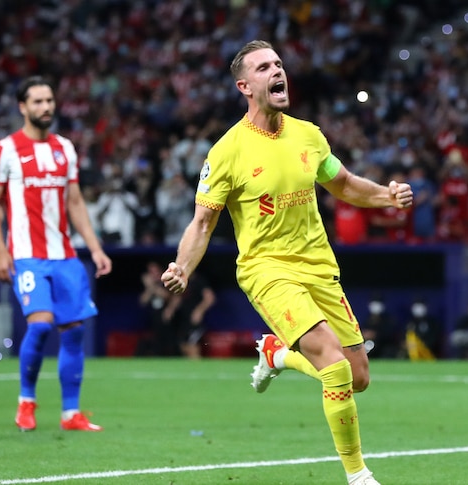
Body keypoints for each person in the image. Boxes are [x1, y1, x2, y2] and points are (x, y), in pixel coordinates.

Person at [160, 40, 412, 485]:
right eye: (263, 67)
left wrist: (387, 196)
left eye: (278, 64)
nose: (277, 71)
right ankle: (358, 476)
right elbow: (201, 224)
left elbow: (346, 185)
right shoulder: (227, 151)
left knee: (357, 378)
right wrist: (182, 266)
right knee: (332, 366)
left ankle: (276, 354)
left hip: (318, 266)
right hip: (266, 269)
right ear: (245, 86)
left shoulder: (309, 135)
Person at [0, 76, 112, 431]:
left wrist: (95, 247)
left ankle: (70, 414)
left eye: (49, 100)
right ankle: (26, 403)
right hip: (26, 255)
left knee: (74, 332)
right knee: (42, 325)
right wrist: (0, 252)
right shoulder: (5, 150)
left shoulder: (65, 148)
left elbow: (74, 201)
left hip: (65, 255)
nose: (46, 107)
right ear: (23, 107)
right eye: (38, 101)